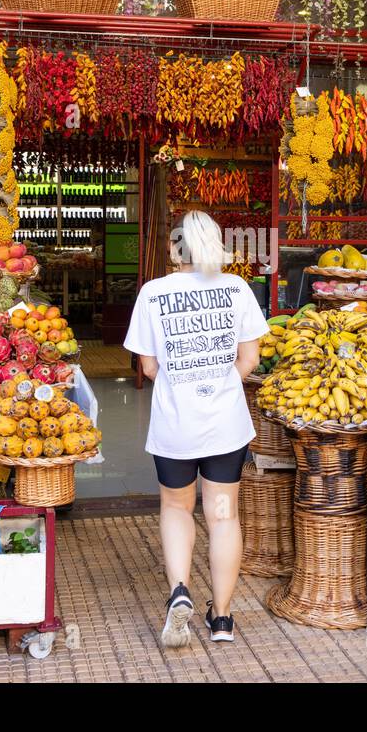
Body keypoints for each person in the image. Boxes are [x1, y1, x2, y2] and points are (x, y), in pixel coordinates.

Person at [124, 211, 269, 648]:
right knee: (223, 515)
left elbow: (148, 366)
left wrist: (182, 382)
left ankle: (180, 591)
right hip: (225, 423)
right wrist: (218, 383)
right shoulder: (237, 288)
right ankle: (223, 618)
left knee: (176, 508)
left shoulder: (154, 293)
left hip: (176, 424)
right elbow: (251, 360)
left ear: (173, 250)